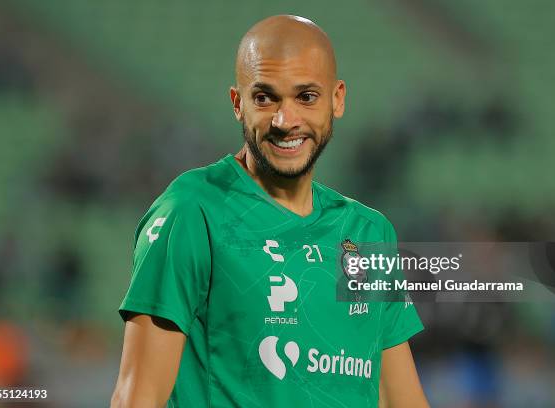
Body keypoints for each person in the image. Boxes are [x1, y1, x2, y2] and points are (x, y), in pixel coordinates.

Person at [111, 15, 429, 408]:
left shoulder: (367, 232)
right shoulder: (192, 212)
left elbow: (400, 399)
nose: (285, 120)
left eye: (306, 97)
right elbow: (136, 397)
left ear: (338, 99)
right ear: (237, 104)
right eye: (265, 98)